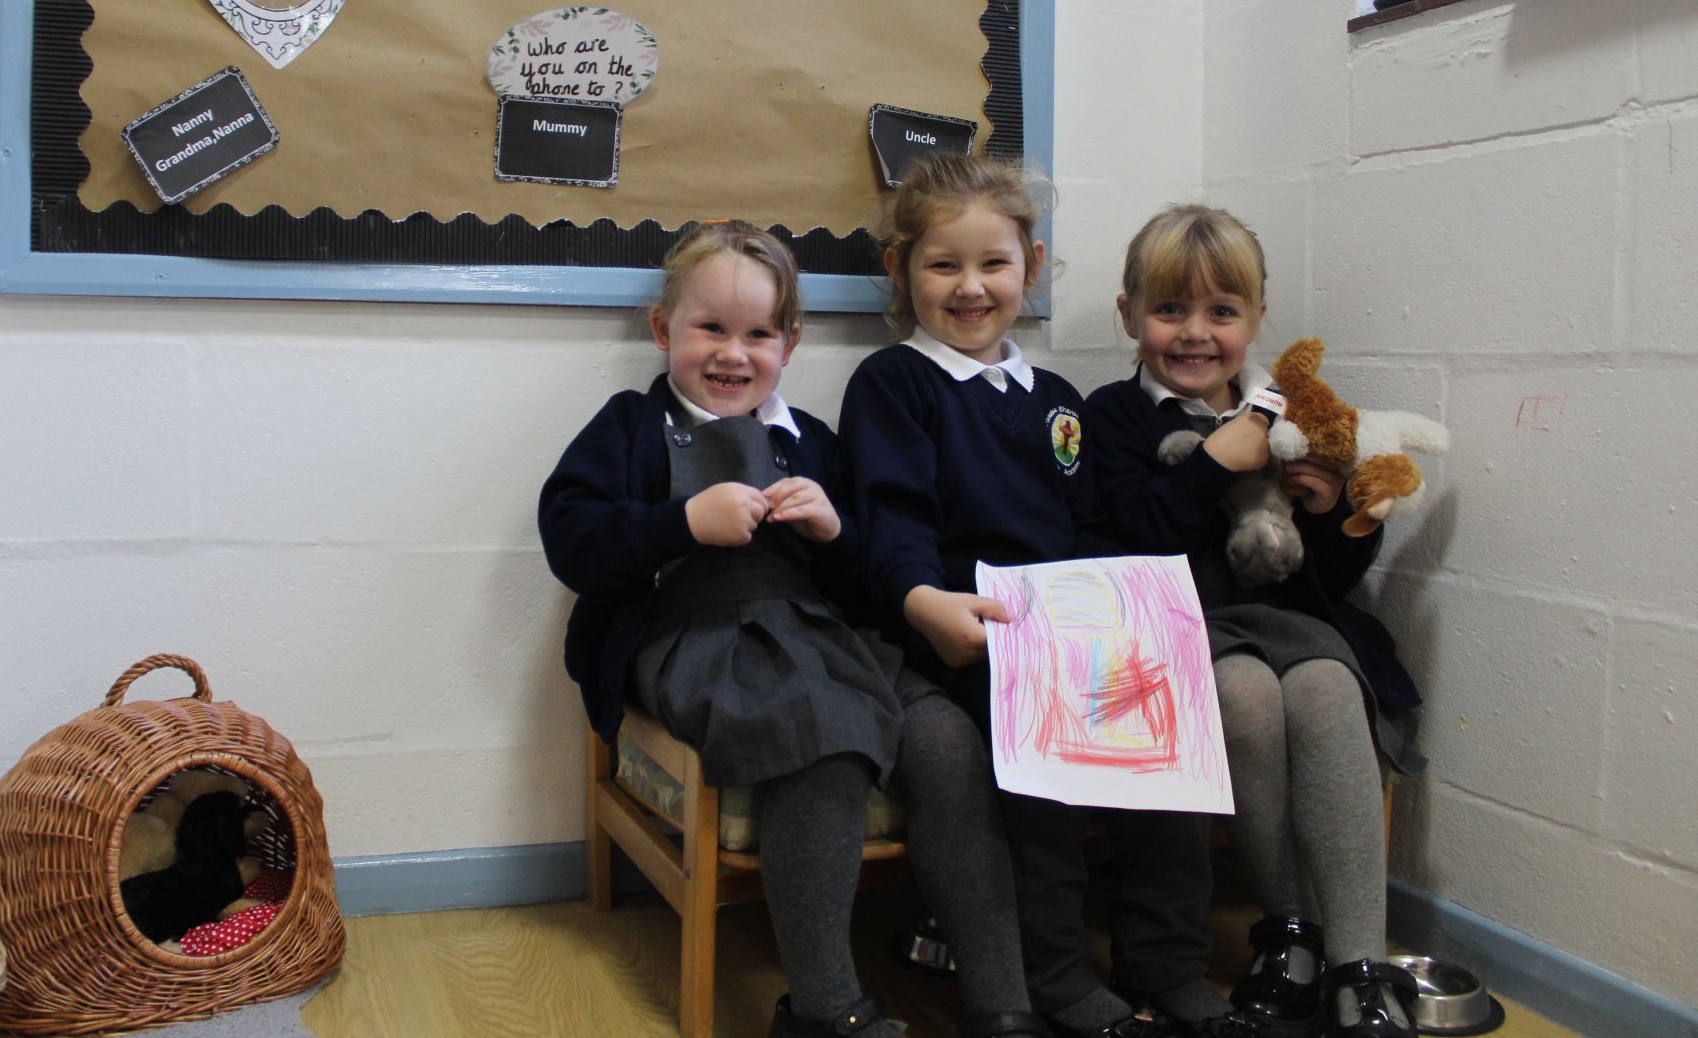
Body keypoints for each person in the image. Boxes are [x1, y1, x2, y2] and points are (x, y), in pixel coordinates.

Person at [539, 220, 1048, 1038]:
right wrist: (681, 523)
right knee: (822, 725)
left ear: (791, 341)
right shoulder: (630, 426)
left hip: (821, 634)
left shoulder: (809, 440)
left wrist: (833, 533)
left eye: (759, 334)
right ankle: (823, 1006)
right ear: (666, 329)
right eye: (711, 328)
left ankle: (1001, 998)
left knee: (946, 737)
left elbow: (864, 589)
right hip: (696, 638)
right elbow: (572, 540)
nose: (733, 354)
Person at [839, 156, 1241, 1038]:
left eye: (994, 264)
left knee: (1166, 755)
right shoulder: (894, 385)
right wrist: (921, 600)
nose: (971, 287)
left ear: (1032, 264)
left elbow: (1089, 525)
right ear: (901, 270)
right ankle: (1056, 978)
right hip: (962, 634)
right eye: (944, 265)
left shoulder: (1057, 401)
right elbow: (891, 520)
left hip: (1069, 630)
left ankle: (1166, 963)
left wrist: (1120, 617)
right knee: (1044, 786)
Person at [1085, 204, 1425, 1038]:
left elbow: (1329, 579)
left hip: (1293, 626)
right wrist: (1210, 464)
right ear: (1129, 314)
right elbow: (1130, 536)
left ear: (1257, 319)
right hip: (1188, 628)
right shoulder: (1112, 416)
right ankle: (1288, 932)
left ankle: (1358, 962)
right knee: (1239, 691)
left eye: (1221, 312)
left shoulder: (1289, 416)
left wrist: (1347, 519)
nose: (1195, 334)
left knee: (1323, 687)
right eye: (1170, 310)